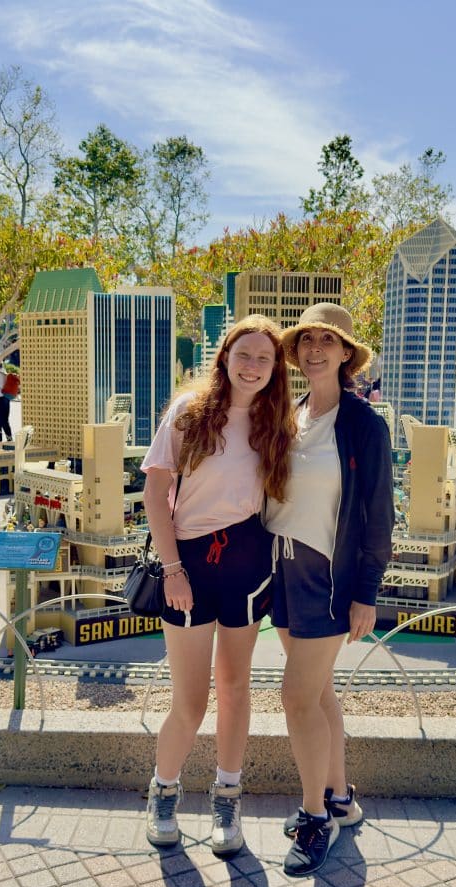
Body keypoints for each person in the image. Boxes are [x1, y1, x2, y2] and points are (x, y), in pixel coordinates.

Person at [141, 315, 295, 857]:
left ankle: (227, 798)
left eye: (264, 359)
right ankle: (164, 792)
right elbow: (155, 496)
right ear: (224, 357)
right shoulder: (188, 414)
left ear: (276, 370)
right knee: (189, 701)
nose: (252, 366)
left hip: (248, 563)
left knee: (234, 690)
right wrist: (173, 569)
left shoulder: (277, 423)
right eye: (244, 355)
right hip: (190, 566)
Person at [267, 302, 394, 877]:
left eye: (329, 340)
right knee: (317, 695)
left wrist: (366, 592)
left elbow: (377, 515)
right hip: (284, 571)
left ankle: (316, 816)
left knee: (295, 698)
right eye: (307, 340)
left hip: (329, 579)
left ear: (347, 354)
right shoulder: (291, 414)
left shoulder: (365, 424)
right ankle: (340, 797)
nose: (315, 348)